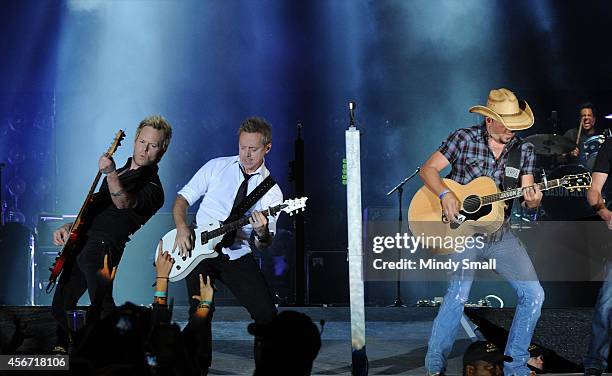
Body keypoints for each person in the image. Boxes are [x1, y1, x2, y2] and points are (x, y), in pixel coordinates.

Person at [421, 88, 545, 376]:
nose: (511, 130)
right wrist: (444, 195)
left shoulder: (523, 149)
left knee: (535, 294)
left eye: (516, 124)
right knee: (458, 294)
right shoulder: (463, 138)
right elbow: (428, 170)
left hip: (500, 233)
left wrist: (533, 201)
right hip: (462, 232)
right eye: (506, 123)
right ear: (490, 120)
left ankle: (515, 365)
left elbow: (527, 195)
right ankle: (434, 367)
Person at [50, 115, 173, 353]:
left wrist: (111, 174)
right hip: (83, 241)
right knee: (61, 307)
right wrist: (70, 226)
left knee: (102, 307)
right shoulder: (124, 169)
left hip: (104, 248)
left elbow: (123, 202)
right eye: (142, 142)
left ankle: (129, 355)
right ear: (135, 140)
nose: (144, 149)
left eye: (153, 145)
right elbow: (97, 207)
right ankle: (65, 352)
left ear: (162, 150)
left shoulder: (153, 188)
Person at [172, 117, 283, 374]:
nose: (246, 154)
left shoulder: (272, 192)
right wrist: (181, 227)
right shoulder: (216, 167)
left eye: (253, 149)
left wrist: (262, 231)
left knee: (267, 315)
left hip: (236, 253)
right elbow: (182, 199)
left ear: (267, 148)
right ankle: (197, 370)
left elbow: (264, 244)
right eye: (242, 147)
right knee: (201, 312)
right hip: (200, 252)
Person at [584, 137, 612, 376]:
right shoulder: (611, 144)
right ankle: (595, 361)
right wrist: (604, 212)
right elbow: (594, 190)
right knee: (607, 303)